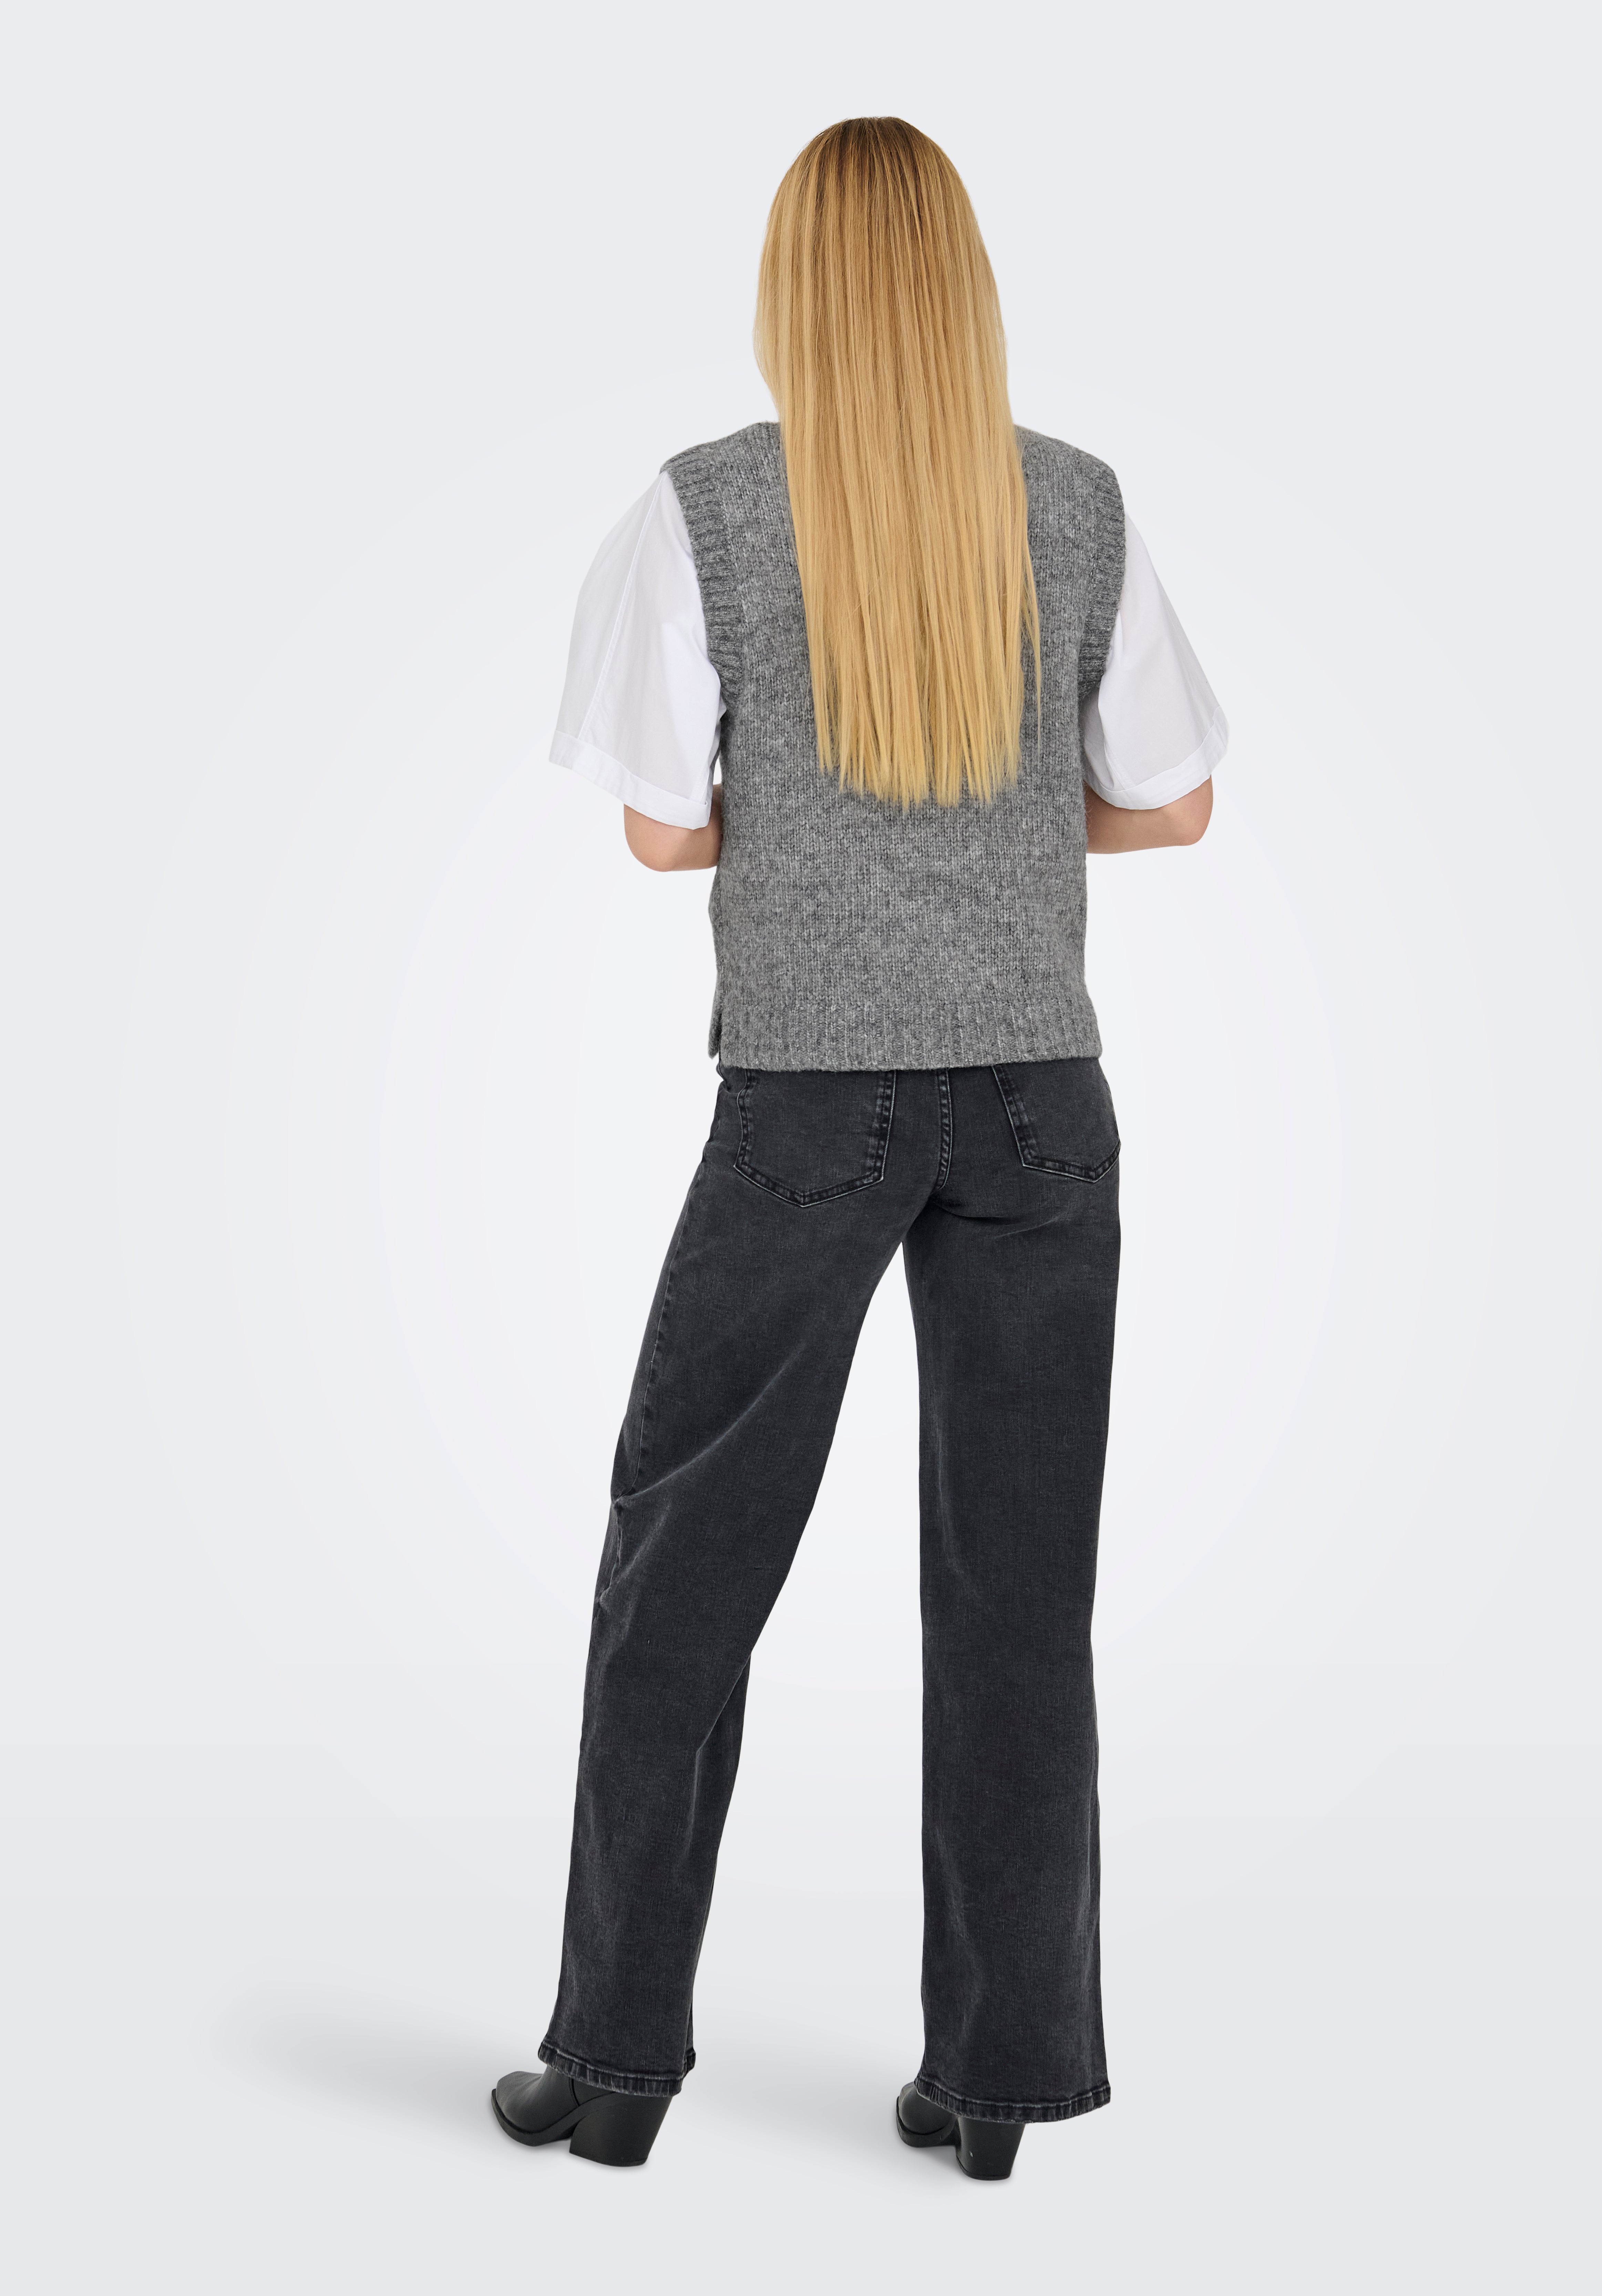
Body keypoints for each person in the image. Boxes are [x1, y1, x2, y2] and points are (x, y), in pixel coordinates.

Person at [491, 115, 1225, 2179]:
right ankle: (998, 2084)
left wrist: (821, 830)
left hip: (810, 1097)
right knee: (1018, 1601)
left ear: (792, 287)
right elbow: (1172, 802)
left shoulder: (704, 509)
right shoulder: (1075, 503)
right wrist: (994, 831)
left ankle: (616, 2062)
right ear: (966, 287)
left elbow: (662, 836)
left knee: (684, 1571)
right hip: (1040, 1107)